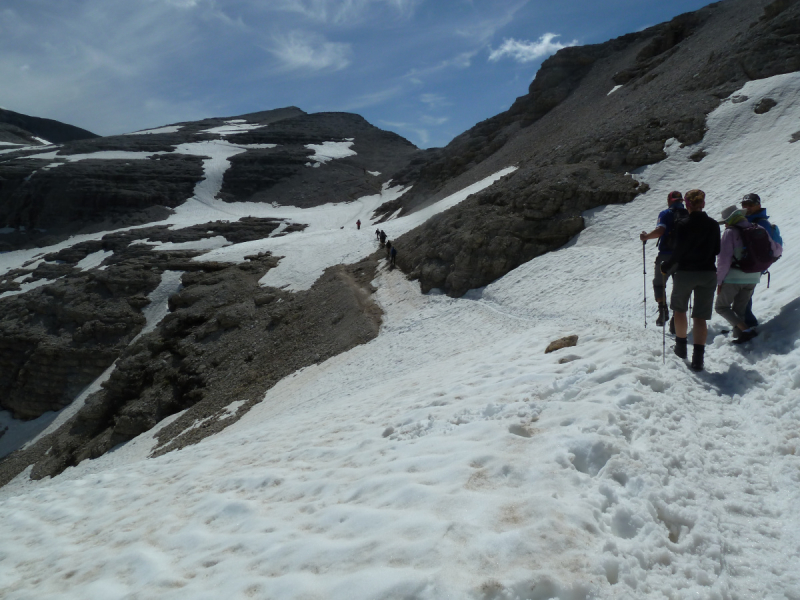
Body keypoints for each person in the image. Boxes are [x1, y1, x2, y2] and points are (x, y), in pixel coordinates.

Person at [661, 189, 721, 371]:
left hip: (686, 272)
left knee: (679, 310)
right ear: (703, 203)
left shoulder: (683, 223)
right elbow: (717, 250)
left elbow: (678, 251)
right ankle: (698, 359)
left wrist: (667, 265)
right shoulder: (713, 225)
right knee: (700, 317)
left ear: (687, 204)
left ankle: (680, 348)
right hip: (707, 273)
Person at [640, 191, 688, 327]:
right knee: (679, 286)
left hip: (666, 254)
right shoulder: (688, 214)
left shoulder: (666, 214)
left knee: (659, 283)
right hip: (684, 256)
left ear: (670, 200)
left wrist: (645, 237)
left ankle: (663, 310)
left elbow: (660, 231)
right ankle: (676, 318)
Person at [715, 206, 761, 344]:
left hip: (734, 277)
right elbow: (776, 250)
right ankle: (740, 335)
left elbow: (724, 261)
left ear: (730, 219)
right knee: (739, 309)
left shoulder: (730, 232)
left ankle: (746, 330)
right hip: (753, 276)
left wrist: (719, 281)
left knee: (721, 307)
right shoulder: (757, 228)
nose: (726, 225)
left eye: (725, 222)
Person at [740, 193, 776, 328]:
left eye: (750, 205)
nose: (747, 207)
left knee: (744, 295)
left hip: (754, 264)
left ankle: (748, 324)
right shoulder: (749, 220)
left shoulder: (761, 223)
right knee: (743, 294)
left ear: (758, 205)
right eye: (744, 205)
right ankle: (744, 323)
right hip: (750, 263)